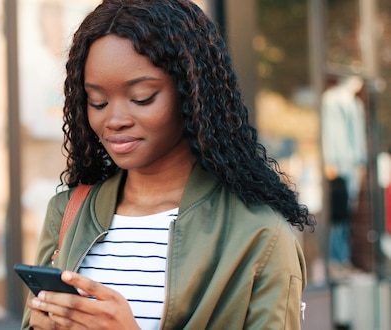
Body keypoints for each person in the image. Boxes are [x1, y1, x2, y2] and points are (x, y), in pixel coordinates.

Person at [21, 0, 316, 329]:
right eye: (98, 101)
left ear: (192, 94)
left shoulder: (259, 234)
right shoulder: (67, 213)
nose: (114, 120)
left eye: (142, 97)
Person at [320, 75, 367, 275]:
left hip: (352, 166)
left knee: (346, 215)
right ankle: (333, 260)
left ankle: (343, 259)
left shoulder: (355, 103)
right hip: (338, 166)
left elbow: (358, 136)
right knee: (336, 215)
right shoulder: (331, 99)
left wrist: (360, 164)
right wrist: (330, 161)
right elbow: (331, 133)